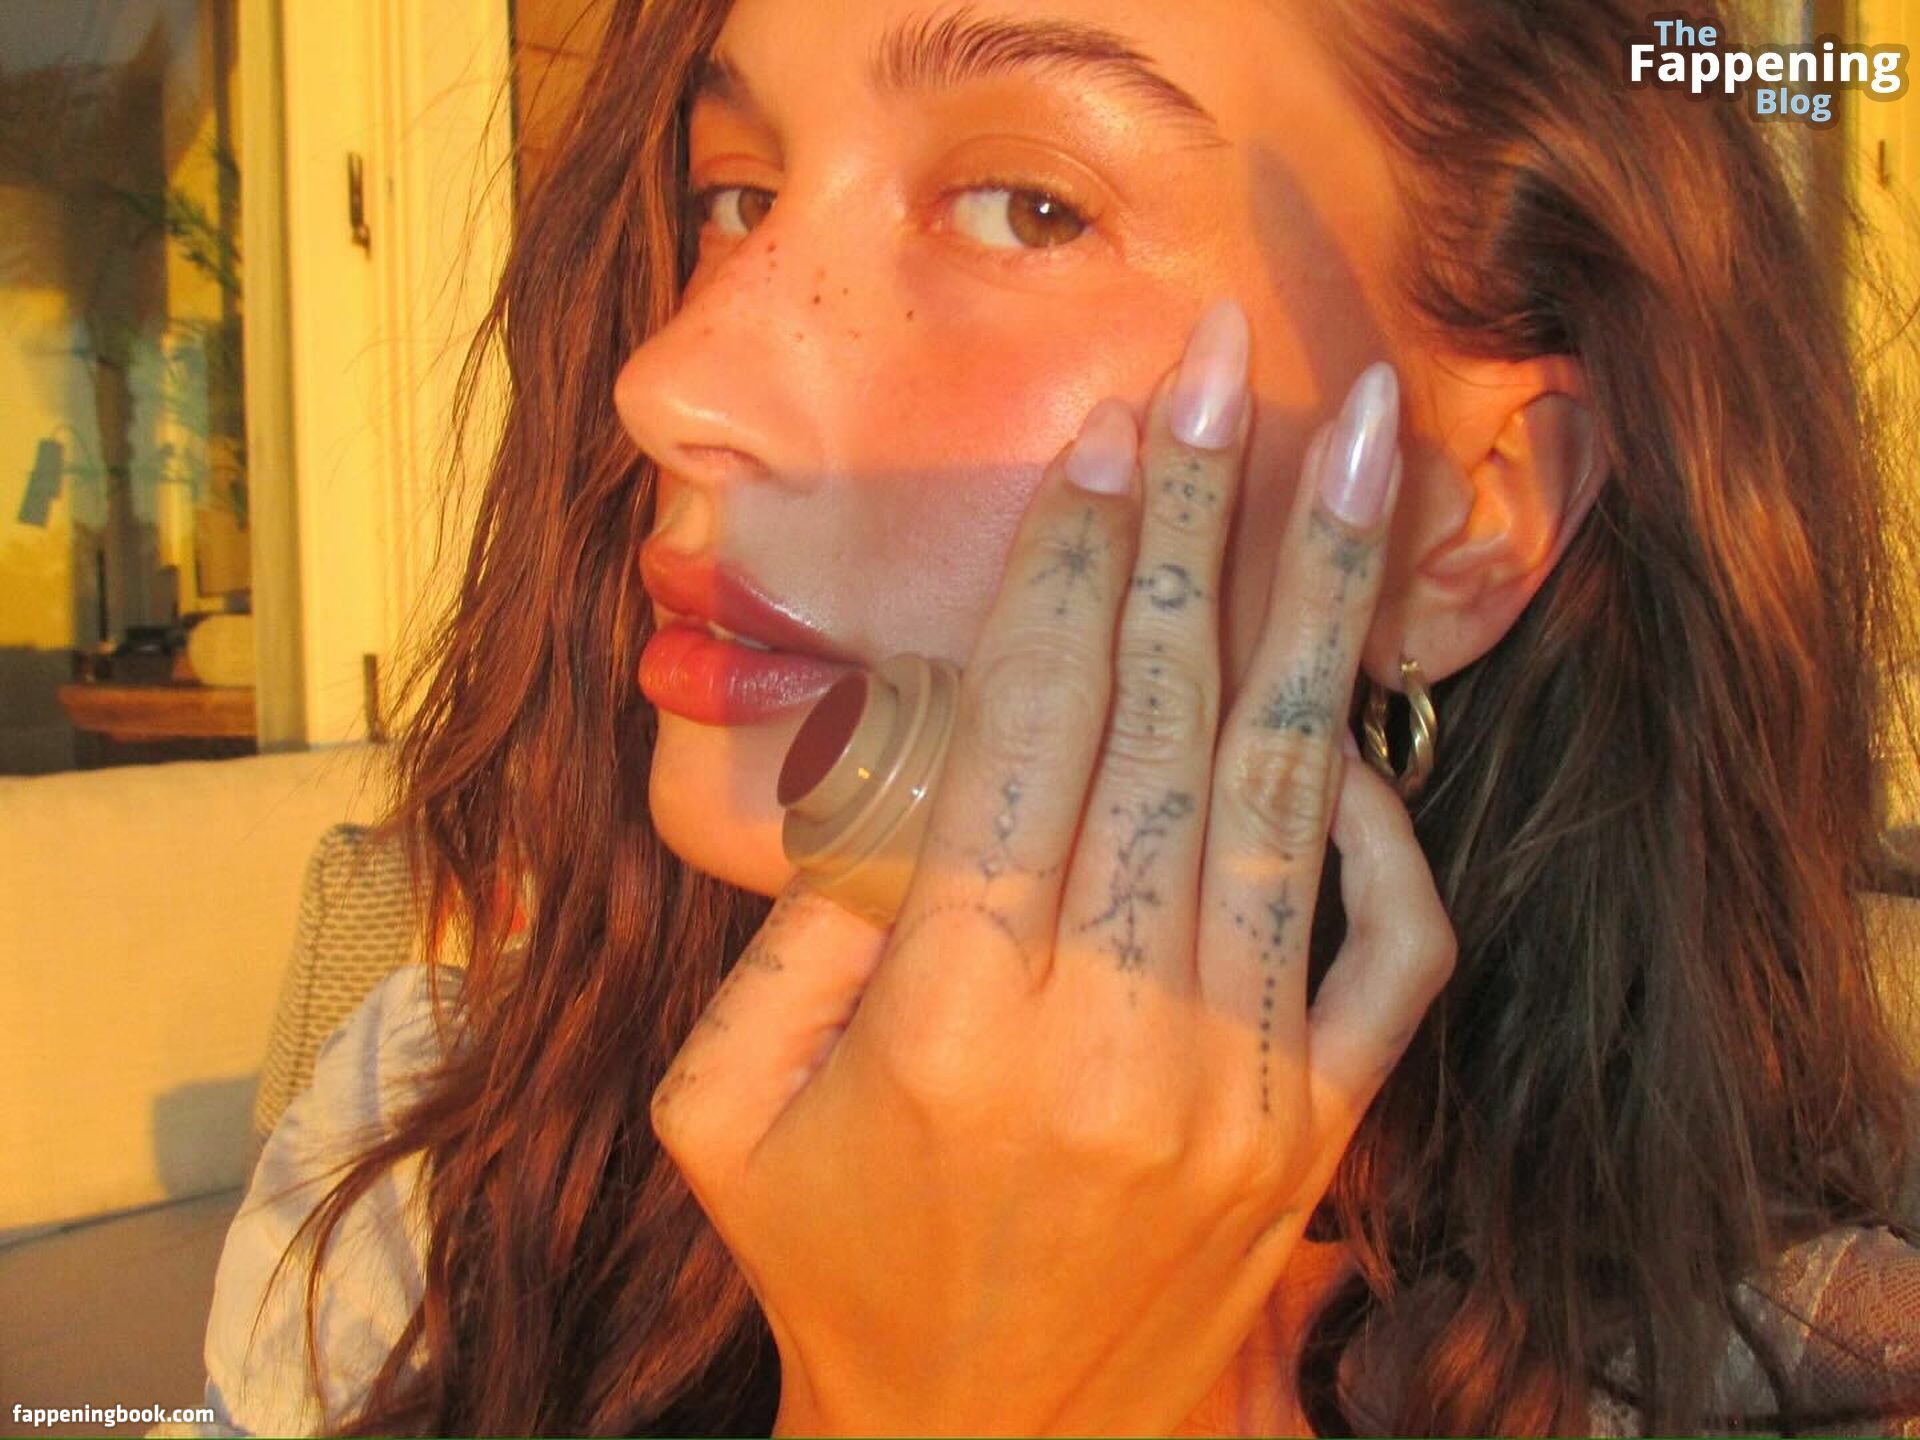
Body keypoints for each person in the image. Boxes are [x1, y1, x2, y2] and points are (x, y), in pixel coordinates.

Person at [185, 0, 1920, 1434]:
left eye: (1027, 209)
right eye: (736, 192)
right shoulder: (438, 1179)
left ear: (1468, 516)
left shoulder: (1806, 1364)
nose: (676, 379)